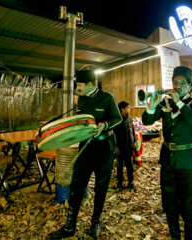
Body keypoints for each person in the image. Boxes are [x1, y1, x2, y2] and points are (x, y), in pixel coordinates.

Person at [47, 70, 122, 240]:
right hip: (85, 148)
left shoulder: (107, 98)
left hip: (105, 150)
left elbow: (118, 119)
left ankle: (96, 222)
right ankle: (69, 225)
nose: (77, 88)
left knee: (101, 187)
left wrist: (105, 125)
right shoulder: (80, 99)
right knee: (76, 185)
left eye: (80, 85)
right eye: (77, 84)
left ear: (90, 84)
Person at [142, 66, 192, 240]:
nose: (177, 85)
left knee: (188, 204)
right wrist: (152, 107)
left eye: (181, 82)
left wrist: (179, 102)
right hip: (168, 159)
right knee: (169, 202)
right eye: (174, 82)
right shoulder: (165, 102)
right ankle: (175, 236)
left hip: (189, 161)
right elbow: (146, 121)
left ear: (189, 85)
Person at [114, 101, 136, 189]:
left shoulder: (130, 119)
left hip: (129, 146)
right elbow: (113, 134)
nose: (129, 109)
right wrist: (115, 146)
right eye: (128, 108)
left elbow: (133, 131)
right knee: (120, 166)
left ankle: (131, 182)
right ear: (122, 109)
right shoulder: (117, 120)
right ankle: (119, 183)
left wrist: (134, 142)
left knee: (130, 165)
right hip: (120, 147)